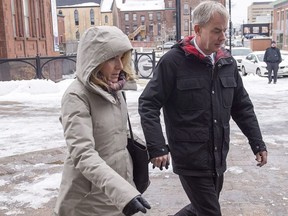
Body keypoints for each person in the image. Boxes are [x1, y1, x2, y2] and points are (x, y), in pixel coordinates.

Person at [138, 1, 267, 216]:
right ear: (197, 29)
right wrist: (157, 146)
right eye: (216, 31)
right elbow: (148, 103)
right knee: (209, 212)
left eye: (224, 30)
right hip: (190, 157)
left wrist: (257, 142)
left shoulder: (227, 63)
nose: (223, 37)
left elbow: (242, 107)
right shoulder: (173, 62)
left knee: (200, 209)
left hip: (218, 156)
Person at [54, 26, 151, 216]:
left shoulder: (113, 89)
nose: (120, 66)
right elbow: (82, 153)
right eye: (112, 58)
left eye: (122, 57)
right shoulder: (76, 96)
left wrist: (154, 148)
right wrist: (123, 193)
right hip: (89, 199)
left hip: (118, 189)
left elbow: (119, 132)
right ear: (95, 60)